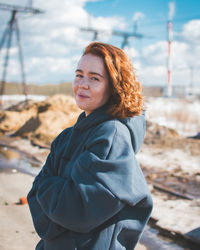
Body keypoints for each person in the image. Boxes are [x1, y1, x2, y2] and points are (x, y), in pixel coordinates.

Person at [27, 41, 153, 250]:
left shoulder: (111, 136)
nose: (82, 84)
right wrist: (55, 223)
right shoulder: (67, 136)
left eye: (94, 78)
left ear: (114, 86)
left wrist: (47, 187)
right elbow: (34, 194)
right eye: (79, 75)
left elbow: (78, 210)